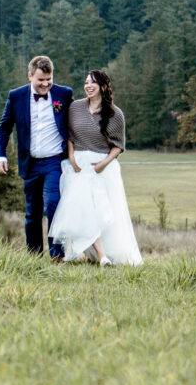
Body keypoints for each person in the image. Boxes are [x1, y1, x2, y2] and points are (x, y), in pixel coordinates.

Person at [49, 70, 142, 266]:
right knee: (83, 210)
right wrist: (72, 156)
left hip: (102, 165)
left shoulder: (116, 114)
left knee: (102, 212)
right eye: (85, 83)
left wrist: (103, 164)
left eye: (92, 83)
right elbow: (69, 135)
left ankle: (105, 254)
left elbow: (118, 145)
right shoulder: (75, 108)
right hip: (78, 166)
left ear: (103, 86)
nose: (88, 86)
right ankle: (101, 257)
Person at [0, 55, 74, 260]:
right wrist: (0, 155)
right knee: (32, 213)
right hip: (29, 163)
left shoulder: (63, 94)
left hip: (54, 162)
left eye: (49, 79)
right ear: (30, 76)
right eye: (41, 80)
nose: (46, 84)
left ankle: (57, 254)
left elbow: (79, 119)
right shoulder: (16, 96)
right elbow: (4, 127)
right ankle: (34, 257)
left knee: (52, 204)